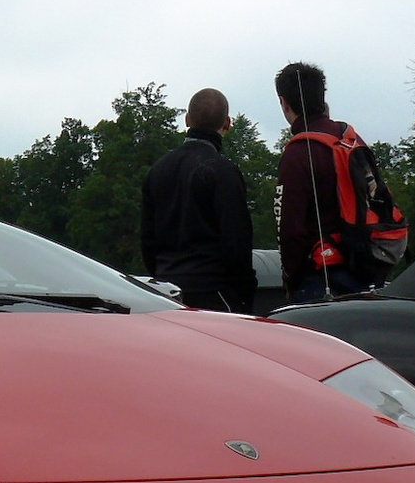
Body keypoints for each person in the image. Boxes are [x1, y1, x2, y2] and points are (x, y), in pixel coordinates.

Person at [140, 88, 257, 313]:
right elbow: (237, 241)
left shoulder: (157, 170)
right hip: (213, 293)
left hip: (166, 295)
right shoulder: (224, 172)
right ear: (228, 123)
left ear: (187, 119)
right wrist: (243, 296)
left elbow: (148, 240)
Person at [274, 61, 367, 302]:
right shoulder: (352, 140)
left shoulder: (297, 153)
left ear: (284, 102)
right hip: (365, 271)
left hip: (320, 281)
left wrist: (290, 277)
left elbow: (290, 230)